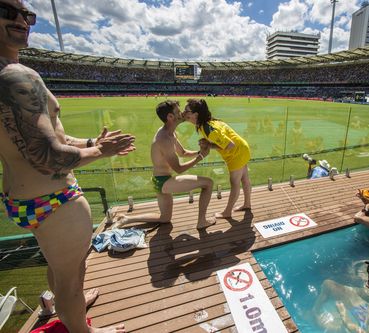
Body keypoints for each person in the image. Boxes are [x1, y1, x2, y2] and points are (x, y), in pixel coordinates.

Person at [0, 2, 135, 332]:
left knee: (62, 270)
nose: (22, 20)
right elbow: (46, 154)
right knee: (72, 278)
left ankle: (66, 301)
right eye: (8, 11)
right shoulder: (17, 75)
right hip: (55, 200)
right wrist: (102, 152)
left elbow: (53, 136)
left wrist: (90, 143)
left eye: (27, 15)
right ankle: (80, 322)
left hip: (22, 199)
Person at [114, 100, 215, 230]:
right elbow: (178, 169)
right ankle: (202, 222)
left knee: (165, 218)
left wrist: (198, 152)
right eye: (179, 111)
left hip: (158, 180)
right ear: (170, 117)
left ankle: (127, 219)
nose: (183, 113)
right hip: (164, 182)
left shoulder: (169, 133)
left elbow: (182, 152)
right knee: (208, 183)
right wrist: (201, 157)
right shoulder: (164, 139)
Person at [183, 98, 251, 219]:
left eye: (187, 110)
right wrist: (209, 143)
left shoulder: (208, 128)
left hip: (236, 153)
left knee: (235, 183)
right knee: (244, 178)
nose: (184, 113)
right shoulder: (207, 123)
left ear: (195, 114)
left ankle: (227, 212)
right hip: (242, 148)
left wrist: (209, 145)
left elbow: (230, 145)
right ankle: (247, 204)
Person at [314, 260, 369, 332]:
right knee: (329, 285)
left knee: (333, 328)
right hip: (367, 310)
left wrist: (345, 319)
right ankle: (315, 311)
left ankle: (313, 318)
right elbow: (366, 293)